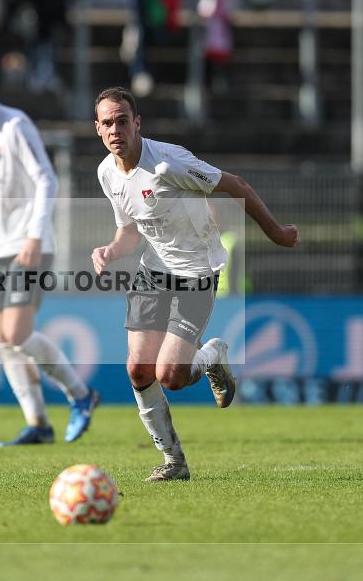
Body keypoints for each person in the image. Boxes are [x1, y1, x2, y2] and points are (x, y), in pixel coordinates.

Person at [91, 86, 299, 481]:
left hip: (196, 271)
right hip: (154, 269)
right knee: (138, 369)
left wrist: (274, 232)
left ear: (137, 124)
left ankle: (213, 356)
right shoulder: (106, 172)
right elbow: (130, 231)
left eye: (122, 121)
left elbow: (237, 186)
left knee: (171, 376)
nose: (115, 129)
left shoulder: (170, 163)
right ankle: (174, 462)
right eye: (107, 123)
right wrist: (110, 251)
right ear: (98, 129)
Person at [0, 59, 99, 447]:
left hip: (28, 244)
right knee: (3, 339)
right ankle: (39, 424)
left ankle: (81, 395)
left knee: (17, 332)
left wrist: (34, 235)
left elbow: (47, 178)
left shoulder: (15, 125)